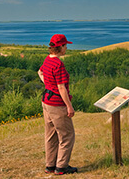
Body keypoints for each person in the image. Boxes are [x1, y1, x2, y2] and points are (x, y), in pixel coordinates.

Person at [37, 34, 78, 175]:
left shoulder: (48, 60)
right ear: (59, 47)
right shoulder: (58, 64)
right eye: (65, 45)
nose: (66, 48)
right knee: (67, 135)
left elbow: (40, 72)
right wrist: (69, 106)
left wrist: (48, 85)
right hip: (57, 104)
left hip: (46, 102)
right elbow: (61, 88)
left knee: (51, 135)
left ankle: (50, 165)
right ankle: (61, 167)